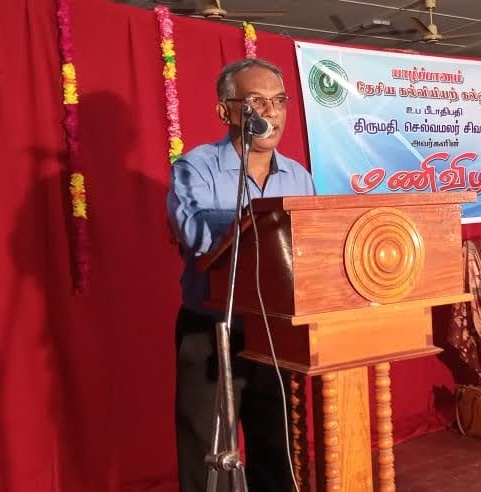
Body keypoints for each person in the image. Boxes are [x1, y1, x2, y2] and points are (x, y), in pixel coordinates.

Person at [166, 58, 314, 492]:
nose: (270, 112)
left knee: (276, 445)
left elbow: (311, 246)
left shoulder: (299, 177)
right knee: (206, 450)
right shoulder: (195, 168)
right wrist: (256, 220)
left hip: (274, 332)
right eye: (256, 101)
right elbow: (195, 233)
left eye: (278, 101)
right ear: (225, 111)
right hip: (211, 327)